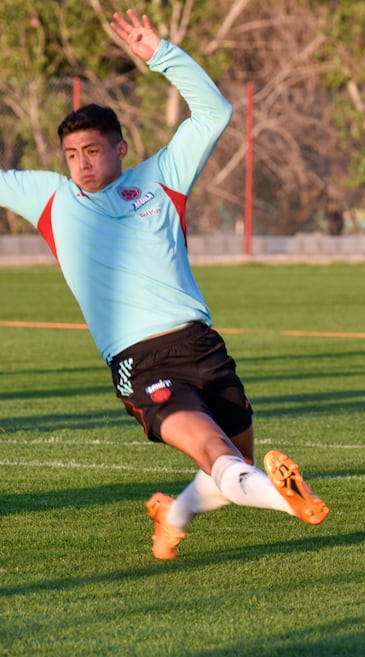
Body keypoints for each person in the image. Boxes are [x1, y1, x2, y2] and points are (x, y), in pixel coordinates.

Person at [0, 10, 328, 560]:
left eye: (93, 151)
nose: (81, 165)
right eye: (72, 155)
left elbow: (215, 112)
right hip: (140, 360)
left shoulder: (160, 178)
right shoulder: (51, 199)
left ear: (121, 148)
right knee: (216, 451)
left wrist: (161, 55)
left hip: (201, 343)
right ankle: (286, 497)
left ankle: (172, 516)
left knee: (236, 463)